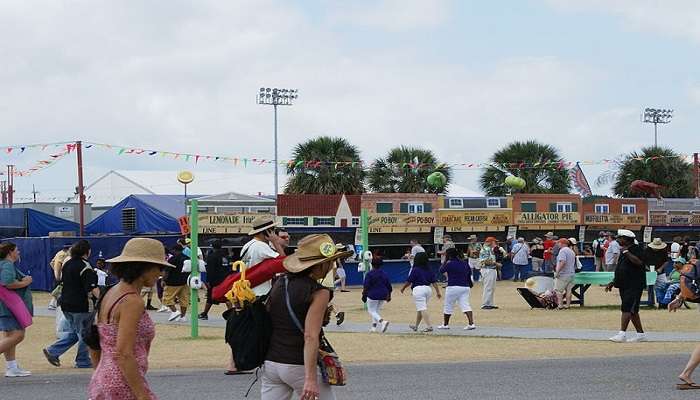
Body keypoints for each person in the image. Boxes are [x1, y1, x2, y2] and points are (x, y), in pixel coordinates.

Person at [261, 234, 352, 400]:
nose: (331, 265)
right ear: (321, 264)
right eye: (330, 262)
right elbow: (310, 335)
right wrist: (310, 379)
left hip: (271, 363)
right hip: (298, 364)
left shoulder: (280, 282)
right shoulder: (319, 292)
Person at [88, 238, 172, 400]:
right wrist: (142, 395)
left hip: (105, 377)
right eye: (159, 267)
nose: (161, 273)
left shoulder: (111, 292)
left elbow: (94, 341)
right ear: (143, 268)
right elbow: (124, 353)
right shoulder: (132, 301)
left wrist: (102, 373)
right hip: (123, 382)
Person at [43, 239, 99, 369]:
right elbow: (92, 287)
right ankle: (83, 360)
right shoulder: (85, 267)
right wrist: (102, 299)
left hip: (66, 304)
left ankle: (53, 351)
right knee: (85, 333)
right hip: (81, 305)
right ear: (87, 251)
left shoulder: (67, 264)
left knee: (76, 332)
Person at [606, 229, 647, 343]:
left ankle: (622, 334)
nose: (618, 239)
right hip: (624, 284)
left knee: (627, 308)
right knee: (633, 310)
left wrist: (626, 252)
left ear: (627, 239)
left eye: (620, 237)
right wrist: (614, 281)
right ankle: (640, 334)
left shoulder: (636, 249)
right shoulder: (624, 250)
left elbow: (639, 263)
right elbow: (621, 268)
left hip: (634, 284)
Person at [0, 242, 33, 377]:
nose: (18, 252)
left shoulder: (3, 264)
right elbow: (8, 282)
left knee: (9, 336)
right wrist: (26, 282)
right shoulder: (7, 265)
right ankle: (12, 367)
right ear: (10, 252)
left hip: (5, 306)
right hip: (10, 306)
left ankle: (12, 367)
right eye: (16, 250)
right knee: (18, 335)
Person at [241, 216, 286, 297]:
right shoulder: (261, 246)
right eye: (272, 230)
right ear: (267, 231)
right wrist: (275, 242)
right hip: (261, 293)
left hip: (247, 292)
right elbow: (284, 262)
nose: (274, 233)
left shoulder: (247, 246)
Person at [401, 252, 441, 332]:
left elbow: (409, 281)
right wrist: (438, 292)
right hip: (428, 289)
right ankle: (416, 326)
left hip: (418, 289)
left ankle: (429, 326)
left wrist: (403, 288)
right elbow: (434, 282)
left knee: (422, 308)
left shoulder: (415, 269)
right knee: (421, 308)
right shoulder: (429, 269)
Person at [437, 247, 475, 330]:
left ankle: (445, 324)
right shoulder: (464, 263)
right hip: (465, 287)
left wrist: (446, 260)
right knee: (465, 305)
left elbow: (441, 270)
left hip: (453, 286)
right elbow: (468, 274)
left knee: (448, 305)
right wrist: (470, 284)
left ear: (448, 255)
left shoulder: (449, 263)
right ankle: (471, 323)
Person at [199, 241, 233, 320]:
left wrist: (208, 281)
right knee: (227, 297)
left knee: (210, 296)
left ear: (212, 247)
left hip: (215, 280)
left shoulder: (212, 256)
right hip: (226, 279)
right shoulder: (225, 256)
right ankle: (231, 314)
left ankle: (204, 314)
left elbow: (210, 270)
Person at [362, 254, 392, 333]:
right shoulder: (384, 273)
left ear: (371, 264)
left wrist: (364, 295)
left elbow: (366, 286)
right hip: (383, 294)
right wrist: (389, 295)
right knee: (376, 311)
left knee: (371, 311)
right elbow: (389, 285)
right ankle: (373, 327)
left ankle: (383, 322)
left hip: (373, 294)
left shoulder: (369, 274)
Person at [161, 245, 189, 323]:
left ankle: (175, 312)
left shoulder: (172, 259)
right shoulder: (187, 258)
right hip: (185, 282)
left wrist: (163, 280)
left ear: (175, 250)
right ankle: (183, 317)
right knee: (184, 299)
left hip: (172, 282)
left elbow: (167, 271)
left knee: (167, 298)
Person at [646, 238, 670, 308]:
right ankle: (651, 302)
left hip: (660, 273)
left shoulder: (663, 251)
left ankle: (662, 303)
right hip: (649, 272)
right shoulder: (647, 251)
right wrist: (647, 268)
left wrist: (660, 268)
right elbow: (643, 261)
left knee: (663, 287)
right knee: (650, 288)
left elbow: (666, 261)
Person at [554, 238, 577, 309]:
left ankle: (560, 305)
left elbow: (562, 262)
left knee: (558, 290)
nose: (558, 244)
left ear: (562, 243)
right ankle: (567, 305)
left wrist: (557, 271)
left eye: (559, 243)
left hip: (563, 274)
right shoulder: (571, 251)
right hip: (571, 273)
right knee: (569, 290)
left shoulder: (562, 251)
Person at [48, 244, 71, 310]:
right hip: (61, 276)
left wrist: (55, 271)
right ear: (68, 249)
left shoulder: (58, 253)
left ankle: (55, 304)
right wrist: (59, 274)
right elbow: (59, 264)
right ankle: (53, 304)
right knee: (59, 289)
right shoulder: (64, 255)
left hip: (58, 275)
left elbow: (51, 263)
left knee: (59, 290)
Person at [479, 237, 499, 310]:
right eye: (494, 242)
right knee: (488, 287)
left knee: (491, 288)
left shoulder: (489, 249)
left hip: (491, 269)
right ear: (490, 242)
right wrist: (496, 263)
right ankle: (485, 304)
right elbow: (485, 261)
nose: (495, 243)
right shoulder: (485, 249)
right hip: (487, 270)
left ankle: (490, 303)